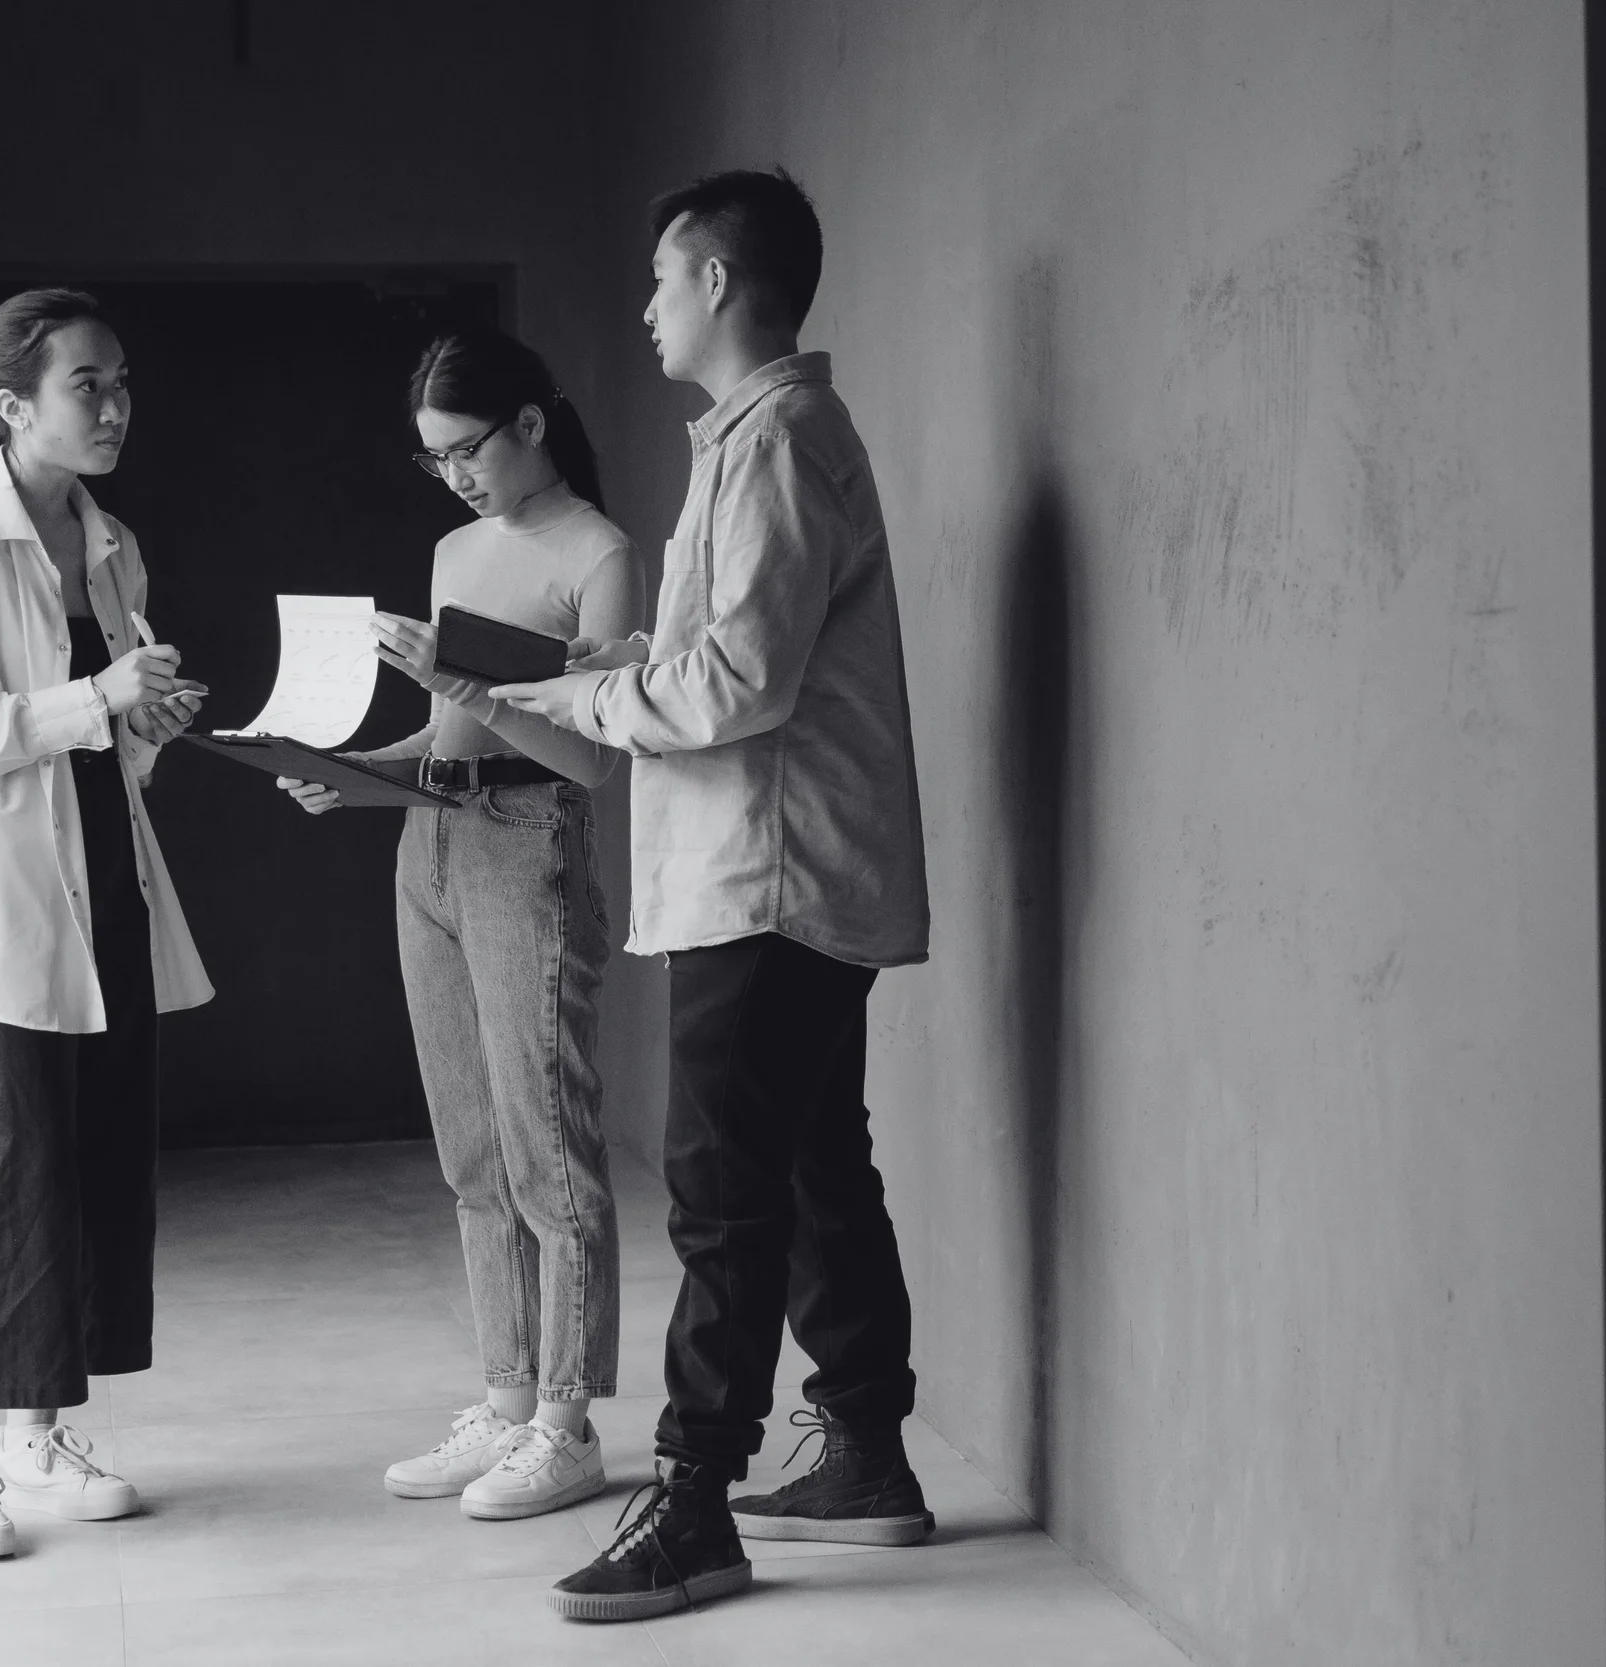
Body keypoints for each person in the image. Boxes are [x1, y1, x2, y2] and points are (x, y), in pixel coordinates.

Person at [491, 168, 935, 1622]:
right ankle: (864, 1450)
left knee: (724, 1191)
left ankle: (692, 1500)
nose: (647, 307)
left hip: (769, 876)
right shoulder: (760, 438)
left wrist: (583, 696)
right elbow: (723, 654)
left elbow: (739, 681)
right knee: (808, 1163)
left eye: (661, 279)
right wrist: (593, 677)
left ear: (720, 283)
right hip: (777, 871)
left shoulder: (780, 442)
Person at [275, 328, 640, 1522]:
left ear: (530, 422)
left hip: (530, 843)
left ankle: (566, 1424)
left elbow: (590, 758)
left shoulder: (598, 553)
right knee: (471, 1152)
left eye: (466, 449)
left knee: (548, 1147)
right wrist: (351, 772)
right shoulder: (452, 548)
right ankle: (505, 1395)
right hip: (429, 845)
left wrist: (461, 683)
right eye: (433, 459)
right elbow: (450, 742)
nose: (454, 476)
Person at [0, 288, 213, 1561]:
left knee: (97, 1152)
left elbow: (104, 746)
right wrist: (92, 697)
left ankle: (36, 1429)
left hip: (104, 879)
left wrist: (141, 722)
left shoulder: (113, 543)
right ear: (13, 405)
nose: (116, 405)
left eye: (122, 381)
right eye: (88, 384)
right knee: (6, 1159)